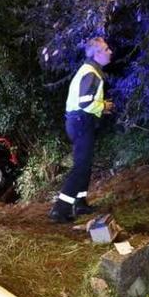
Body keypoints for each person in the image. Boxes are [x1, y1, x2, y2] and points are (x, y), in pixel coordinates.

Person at [49, 37, 115, 224]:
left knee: (84, 164)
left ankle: (80, 203)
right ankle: (60, 209)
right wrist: (103, 106)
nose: (110, 52)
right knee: (80, 166)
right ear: (97, 54)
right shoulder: (91, 73)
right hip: (81, 122)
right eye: (106, 49)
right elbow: (85, 102)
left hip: (78, 122)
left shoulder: (90, 70)